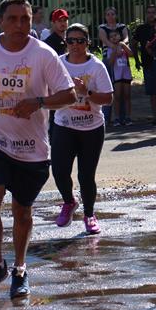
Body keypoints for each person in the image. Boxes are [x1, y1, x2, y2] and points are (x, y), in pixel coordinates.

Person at [0, 0, 76, 299]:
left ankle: (20, 269)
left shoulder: (44, 54)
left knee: (22, 211)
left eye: (25, 19)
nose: (19, 25)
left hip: (31, 147)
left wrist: (38, 102)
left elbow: (69, 95)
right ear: (0, 22)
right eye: (12, 19)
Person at [51, 24, 114, 235]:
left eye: (80, 41)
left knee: (86, 176)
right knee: (59, 171)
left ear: (88, 42)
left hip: (91, 127)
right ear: (65, 43)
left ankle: (89, 214)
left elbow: (107, 98)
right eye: (71, 41)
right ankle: (69, 202)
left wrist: (85, 91)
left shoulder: (96, 67)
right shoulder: (58, 63)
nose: (75, 45)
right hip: (64, 125)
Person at [133, 5, 156, 125]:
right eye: (148, 12)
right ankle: (155, 115)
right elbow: (134, 43)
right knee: (152, 91)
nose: (151, 15)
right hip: (147, 63)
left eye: (153, 12)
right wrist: (136, 60)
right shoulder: (141, 28)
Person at [98, 7, 130, 124]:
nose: (110, 16)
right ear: (105, 16)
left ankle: (124, 117)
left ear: (116, 15)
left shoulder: (122, 26)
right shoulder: (102, 28)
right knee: (109, 88)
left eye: (112, 14)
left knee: (122, 89)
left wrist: (122, 45)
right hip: (109, 57)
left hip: (122, 58)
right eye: (108, 14)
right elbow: (105, 40)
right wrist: (115, 48)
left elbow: (126, 38)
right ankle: (108, 118)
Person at [106, 29, 133, 126]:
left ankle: (128, 117)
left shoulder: (124, 46)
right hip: (117, 76)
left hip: (126, 74)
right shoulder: (109, 49)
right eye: (111, 37)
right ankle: (117, 117)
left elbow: (131, 54)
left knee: (127, 96)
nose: (114, 38)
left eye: (115, 35)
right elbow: (110, 62)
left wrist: (123, 45)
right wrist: (114, 51)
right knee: (117, 97)